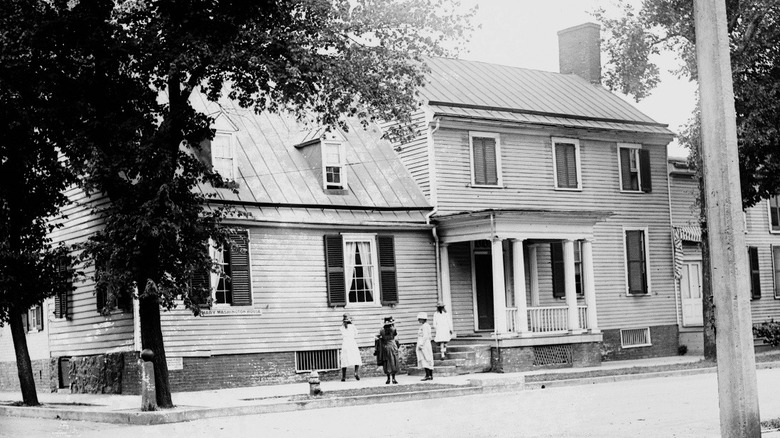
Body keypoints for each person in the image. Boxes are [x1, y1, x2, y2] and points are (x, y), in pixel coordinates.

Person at [376, 316, 400, 384]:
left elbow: (381, 337)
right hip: (392, 346)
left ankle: (388, 378)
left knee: (386, 362)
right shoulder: (393, 329)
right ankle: (394, 378)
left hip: (385, 346)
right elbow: (395, 337)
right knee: (393, 361)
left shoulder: (381, 330)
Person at [339, 314, 362, 381]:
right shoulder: (353, 326)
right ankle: (356, 372)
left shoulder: (342, 327)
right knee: (356, 357)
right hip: (352, 342)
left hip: (345, 343)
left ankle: (343, 376)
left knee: (344, 359)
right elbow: (356, 333)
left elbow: (342, 333)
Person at [416, 312, 434, 381]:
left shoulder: (425, 326)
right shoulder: (424, 326)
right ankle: (428, 375)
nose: (419, 320)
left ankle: (429, 375)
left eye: (420, 319)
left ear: (423, 319)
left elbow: (425, 336)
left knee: (426, 357)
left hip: (424, 344)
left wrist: (421, 344)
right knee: (426, 358)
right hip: (425, 343)